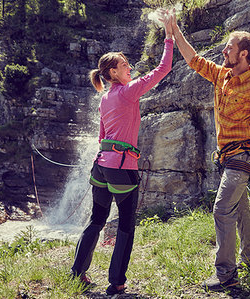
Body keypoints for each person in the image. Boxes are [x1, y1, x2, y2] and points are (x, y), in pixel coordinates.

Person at [169, 13, 250, 291]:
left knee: (222, 210)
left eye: (229, 48)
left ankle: (226, 275)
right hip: (228, 158)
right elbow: (194, 60)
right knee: (241, 210)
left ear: (243, 53)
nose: (224, 51)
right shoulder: (221, 75)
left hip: (243, 157)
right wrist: (174, 30)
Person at [70, 12, 173, 296]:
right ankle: (116, 283)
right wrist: (169, 37)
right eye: (124, 65)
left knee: (97, 219)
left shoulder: (104, 97)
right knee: (126, 224)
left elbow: (101, 136)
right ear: (113, 73)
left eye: (128, 63)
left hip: (101, 167)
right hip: (122, 167)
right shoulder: (127, 91)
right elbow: (163, 69)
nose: (129, 67)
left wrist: (99, 163)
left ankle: (77, 272)